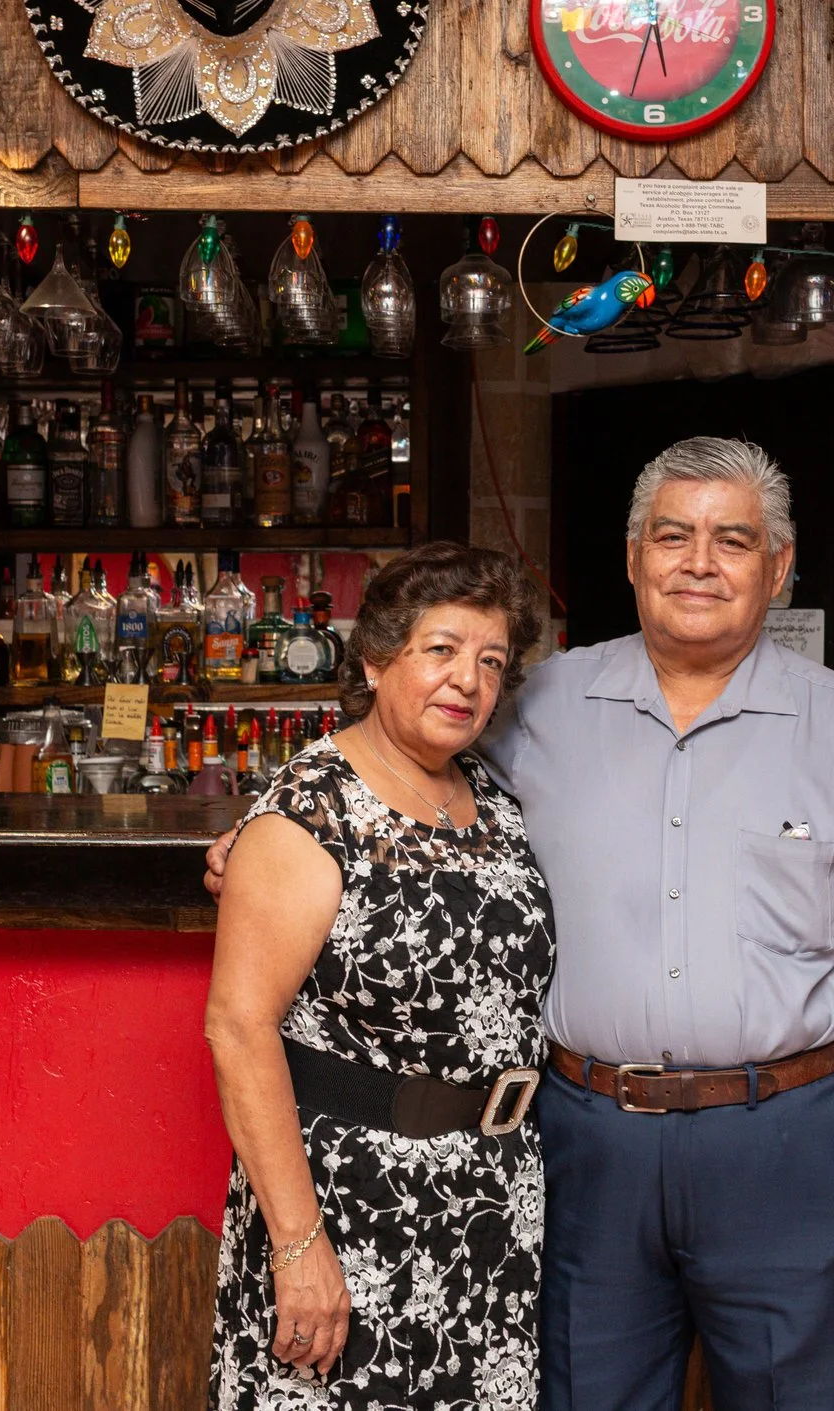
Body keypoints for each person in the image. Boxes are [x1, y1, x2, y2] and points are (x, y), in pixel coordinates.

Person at [210, 436, 834, 1411]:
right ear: (631, 556)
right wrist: (269, 822)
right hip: (588, 1150)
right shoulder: (538, 704)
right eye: (672, 534)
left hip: (795, 1142)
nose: (698, 560)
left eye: (732, 539)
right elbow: (397, 748)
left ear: (778, 567)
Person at [203, 540, 551, 1410]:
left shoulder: (493, 801)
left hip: (488, 1209)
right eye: (440, 649)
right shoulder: (310, 806)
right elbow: (238, 1029)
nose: (466, 679)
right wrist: (297, 1245)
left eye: (491, 661)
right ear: (375, 656)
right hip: (351, 1211)